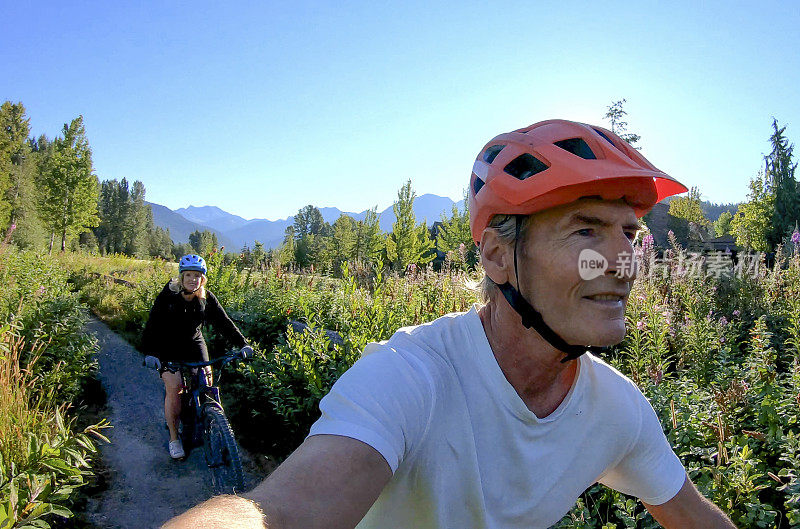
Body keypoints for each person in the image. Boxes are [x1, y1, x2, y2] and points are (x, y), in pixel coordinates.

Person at [163, 120, 736, 528]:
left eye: (630, 234)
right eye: (586, 230)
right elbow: (279, 516)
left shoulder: (617, 409)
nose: (623, 261)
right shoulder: (410, 376)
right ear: (496, 256)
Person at [142, 253, 253, 460]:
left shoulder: (206, 297)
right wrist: (150, 353)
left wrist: (243, 344)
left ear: (203, 278)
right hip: (169, 346)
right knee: (174, 388)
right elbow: (153, 325)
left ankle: (214, 426)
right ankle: (174, 439)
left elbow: (224, 323)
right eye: (189, 275)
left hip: (194, 343)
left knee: (208, 383)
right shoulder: (168, 295)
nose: (193, 279)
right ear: (181, 277)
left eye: (197, 276)